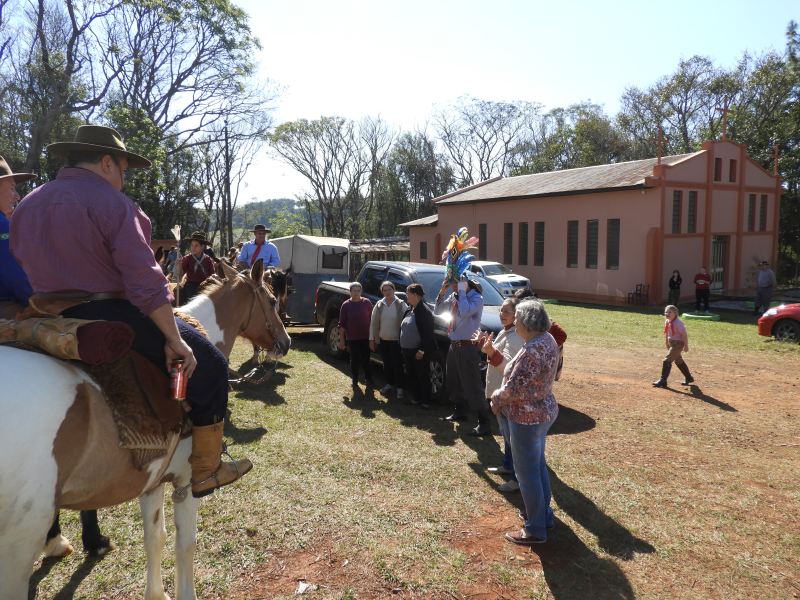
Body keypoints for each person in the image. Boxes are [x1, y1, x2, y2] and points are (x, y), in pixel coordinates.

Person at [10, 125, 251, 498]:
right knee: (212, 364)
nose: (123, 177)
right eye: (123, 168)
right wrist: (174, 339)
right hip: (108, 311)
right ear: (107, 162)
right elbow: (143, 279)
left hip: (44, 315)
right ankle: (206, 468)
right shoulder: (113, 204)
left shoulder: (27, 204)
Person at [490, 299, 559, 545]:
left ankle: (536, 529)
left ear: (527, 322)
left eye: (517, 317)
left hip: (527, 418)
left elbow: (513, 389)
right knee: (537, 468)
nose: (514, 320)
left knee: (527, 474)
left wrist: (495, 400)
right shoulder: (546, 340)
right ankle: (542, 516)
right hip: (542, 414)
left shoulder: (532, 350)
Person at [474, 297, 524, 492]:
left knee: (511, 437)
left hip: (505, 395)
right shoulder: (507, 331)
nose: (502, 314)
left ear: (517, 315)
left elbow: (508, 368)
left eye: (506, 311)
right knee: (506, 434)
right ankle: (508, 466)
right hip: (498, 392)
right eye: (501, 310)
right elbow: (494, 353)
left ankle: (516, 479)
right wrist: (483, 345)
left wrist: (490, 350)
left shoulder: (515, 336)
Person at [435, 276, 491, 437]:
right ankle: (460, 411)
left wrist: (460, 291)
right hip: (454, 345)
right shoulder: (455, 295)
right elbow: (438, 310)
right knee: (454, 381)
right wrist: (443, 292)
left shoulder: (476, 299)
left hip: (467, 347)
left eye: (455, 286)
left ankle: (484, 421)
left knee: (472, 383)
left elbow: (465, 311)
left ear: (464, 286)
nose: (452, 288)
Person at [0, 156, 36, 320]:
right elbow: (17, 278)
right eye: (12, 189)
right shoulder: (2, 226)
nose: (17, 196)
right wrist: (39, 307)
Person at [399, 283, 437, 410]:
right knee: (412, 375)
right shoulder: (410, 309)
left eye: (408, 293)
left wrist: (421, 350)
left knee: (422, 375)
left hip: (419, 351)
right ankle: (416, 398)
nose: (406, 295)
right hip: (407, 350)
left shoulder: (424, 311)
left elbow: (428, 333)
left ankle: (426, 401)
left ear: (415, 295)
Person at [369, 281, 407, 399]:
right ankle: (389, 384)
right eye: (384, 290)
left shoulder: (401, 304)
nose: (387, 292)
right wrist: (371, 339)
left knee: (397, 365)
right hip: (383, 341)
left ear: (393, 290)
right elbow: (373, 322)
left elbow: (407, 321)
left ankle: (400, 387)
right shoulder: (379, 305)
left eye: (389, 289)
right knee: (387, 364)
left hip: (397, 341)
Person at [338, 282, 374, 389]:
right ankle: (355, 379)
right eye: (354, 291)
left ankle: (369, 379)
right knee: (354, 359)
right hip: (352, 337)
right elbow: (342, 323)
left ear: (361, 292)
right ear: (350, 292)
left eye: (358, 291)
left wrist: (373, 337)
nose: (356, 293)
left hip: (366, 337)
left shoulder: (367, 303)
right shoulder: (346, 305)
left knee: (366, 358)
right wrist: (342, 340)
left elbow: (373, 320)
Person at [652, 304, 694, 387]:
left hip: (678, 343)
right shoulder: (667, 321)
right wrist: (667, 343)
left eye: (669, 312)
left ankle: (663, 380)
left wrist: (686, 346)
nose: (667, 313)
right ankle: (689, 378)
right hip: (672, 343)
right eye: (665, 312)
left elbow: (684, 334)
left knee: (667, 360)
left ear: (675, 313)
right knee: (678, 360)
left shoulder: (678, 323)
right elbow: (667, 333)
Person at [179, 232, 215, 302]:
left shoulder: (208, 259)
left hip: (206, 283)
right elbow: (181, 274)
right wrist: (179, 266)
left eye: (196, 246)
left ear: (202, 246)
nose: (193, 248)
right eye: (192, 245)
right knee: (191, 295)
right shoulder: (187, 258)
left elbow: (212, 274)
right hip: (192, 283)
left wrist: (214, 276)